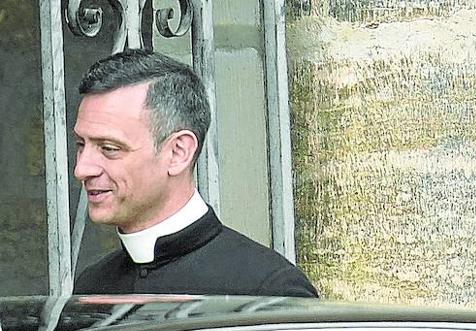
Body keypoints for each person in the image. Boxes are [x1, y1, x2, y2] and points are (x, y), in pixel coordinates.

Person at [71, 49, 317, 297]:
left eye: (110, 148)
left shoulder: (268, 289)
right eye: (81, 145)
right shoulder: (93, 285)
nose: (82, 169)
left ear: (178, 153)